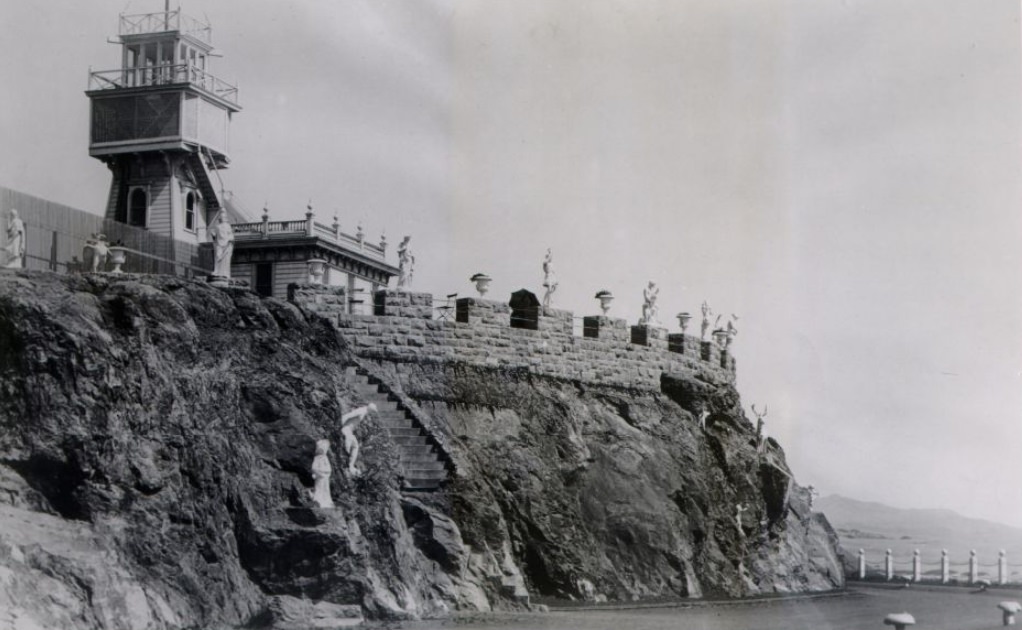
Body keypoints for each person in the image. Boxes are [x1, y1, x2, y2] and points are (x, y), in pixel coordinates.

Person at [340, 403, 377, 476]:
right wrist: (339, 425)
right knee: (348, 448)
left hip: (349, 431)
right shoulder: (361, 411)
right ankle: (347, 466)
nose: (371, 413)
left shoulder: (363, 412)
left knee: (355, 446)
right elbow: (348, 415)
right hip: (346, 430)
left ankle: (350, 465)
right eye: (372, 411)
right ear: (370, 410)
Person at [209, 212, 234, 278]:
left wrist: (230, 240)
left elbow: (230, 234)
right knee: (218, 256)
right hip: (219, 243)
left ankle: (225, 273)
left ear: (225, 218)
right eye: (221, 217)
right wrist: (212, 234)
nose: (222, 218)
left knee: (225, 259)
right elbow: (215, 236)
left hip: (226, 242)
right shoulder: (217, 227)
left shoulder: (228, 226)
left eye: (223, 217)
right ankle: (217, 271)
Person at [310, 439, 334, 508]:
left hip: (325, 477)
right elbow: (313, 467)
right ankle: (318, 500)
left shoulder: (325, 458)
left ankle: (326, 501)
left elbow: (329, 469)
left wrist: (324, 472)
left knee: (325, 489)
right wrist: (318, 472)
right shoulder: (317, 458)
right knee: (318, 488)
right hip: (319, 476)